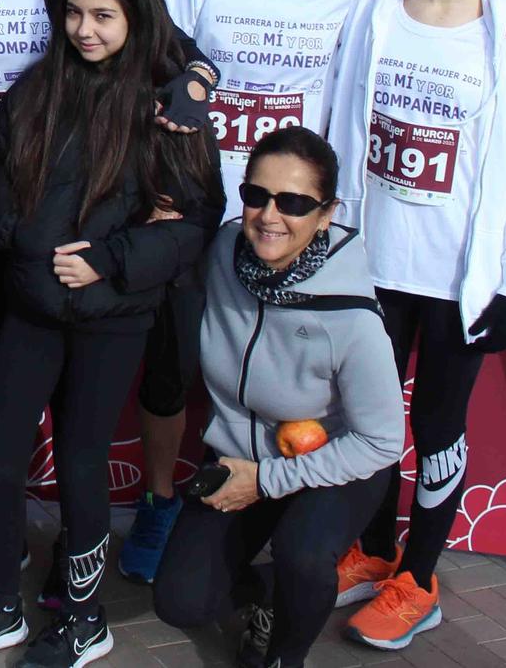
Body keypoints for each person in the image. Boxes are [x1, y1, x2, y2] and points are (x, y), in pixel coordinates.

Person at [125, 0, 506, 584]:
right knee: (243, 387)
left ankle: (412, 574)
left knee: (414, 421)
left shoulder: (447, 19)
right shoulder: (372, 4)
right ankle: (341, 541)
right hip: (316, 245)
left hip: (398, 260)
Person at [0, 0, 223, 668]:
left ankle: (84, 620)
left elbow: (196, 220)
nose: (85, 28)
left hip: (112, 317)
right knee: (0, 460)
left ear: (138, 16)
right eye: (73, 12)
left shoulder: (170, 109)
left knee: (82, 466)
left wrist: (111, 260)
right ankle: (0, 607)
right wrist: (16, 235)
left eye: (103, 14)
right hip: (31, 306)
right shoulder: (40, 85)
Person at [322, 0, 506, 651]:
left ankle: (420, 577)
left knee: (436, 423)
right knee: (366, 417)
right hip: (371, 260)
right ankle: (371, 549)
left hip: (459, 276)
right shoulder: (375, 9)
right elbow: (334, 122)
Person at [152, 127, 404, 668]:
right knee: (179, 601)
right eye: (256, 195)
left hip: (333, 461)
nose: (270, 215)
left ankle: (285, 655)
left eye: (293, 202)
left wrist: (264, 482)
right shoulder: (222, 250)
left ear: (326, 213)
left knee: (305, 555)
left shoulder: (352, 317)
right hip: (239, 453)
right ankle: (267, 593)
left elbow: (382, 441)